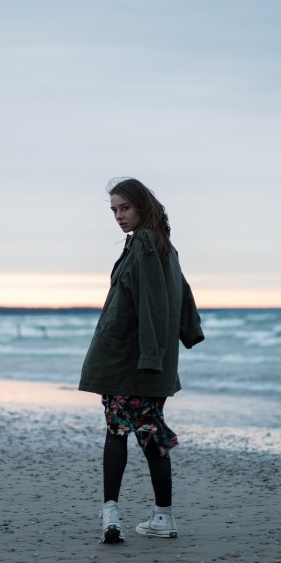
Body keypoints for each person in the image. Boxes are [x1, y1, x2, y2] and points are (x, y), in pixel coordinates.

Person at [79, 178, 204, 543]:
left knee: (118, 432)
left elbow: (152, 303)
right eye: (114, 210)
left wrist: (151, 357)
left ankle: (111, 513)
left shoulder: (146, 244)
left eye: (124, 208)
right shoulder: (161, 245)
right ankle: (162, 516)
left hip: (130, 361)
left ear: (143, 206)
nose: (118, 216)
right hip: (147, 361)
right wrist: (187, 331)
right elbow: (183, 294)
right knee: (150, 434)